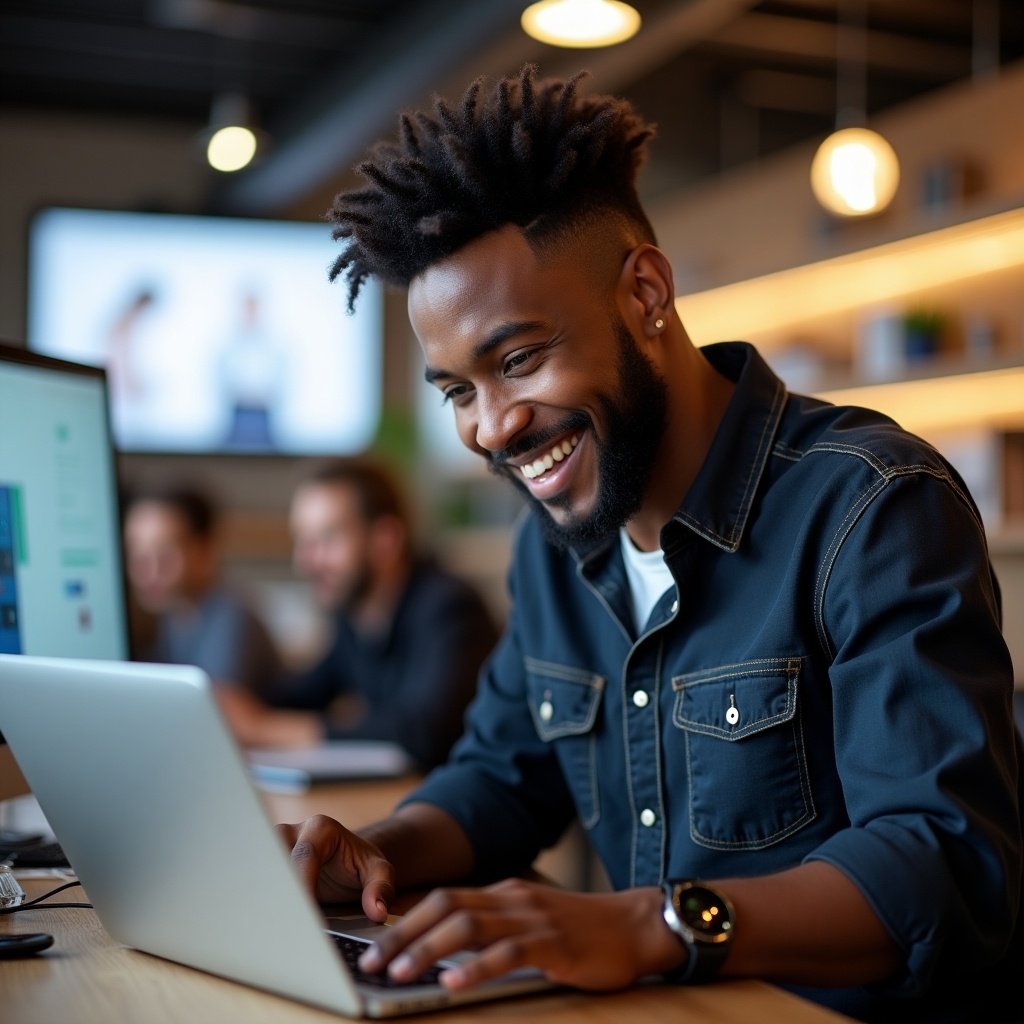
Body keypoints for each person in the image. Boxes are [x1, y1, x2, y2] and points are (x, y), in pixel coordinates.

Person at [279, 66, 1023, 1021]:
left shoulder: (873, 505)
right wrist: (378, 855)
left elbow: (943, 864)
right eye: (459, 391)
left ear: (645, 294)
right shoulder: (553, 543)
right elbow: (505, 776)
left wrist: (648, 927)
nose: (494, 428)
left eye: (519, 360)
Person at [264, 456, 500, 772]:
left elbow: (424, 732)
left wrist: (273, 730)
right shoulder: (353, 616)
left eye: (327, 539)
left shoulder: (450, 608)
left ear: (385, 541)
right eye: (303, 541)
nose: (305, 562)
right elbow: (304, 693)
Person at [123, 483, 322, 748]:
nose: (148, 569)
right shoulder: (173, 618)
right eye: (137, 553)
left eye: (165, 553)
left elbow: (217, 717)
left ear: (206, 551)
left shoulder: (232, 617)